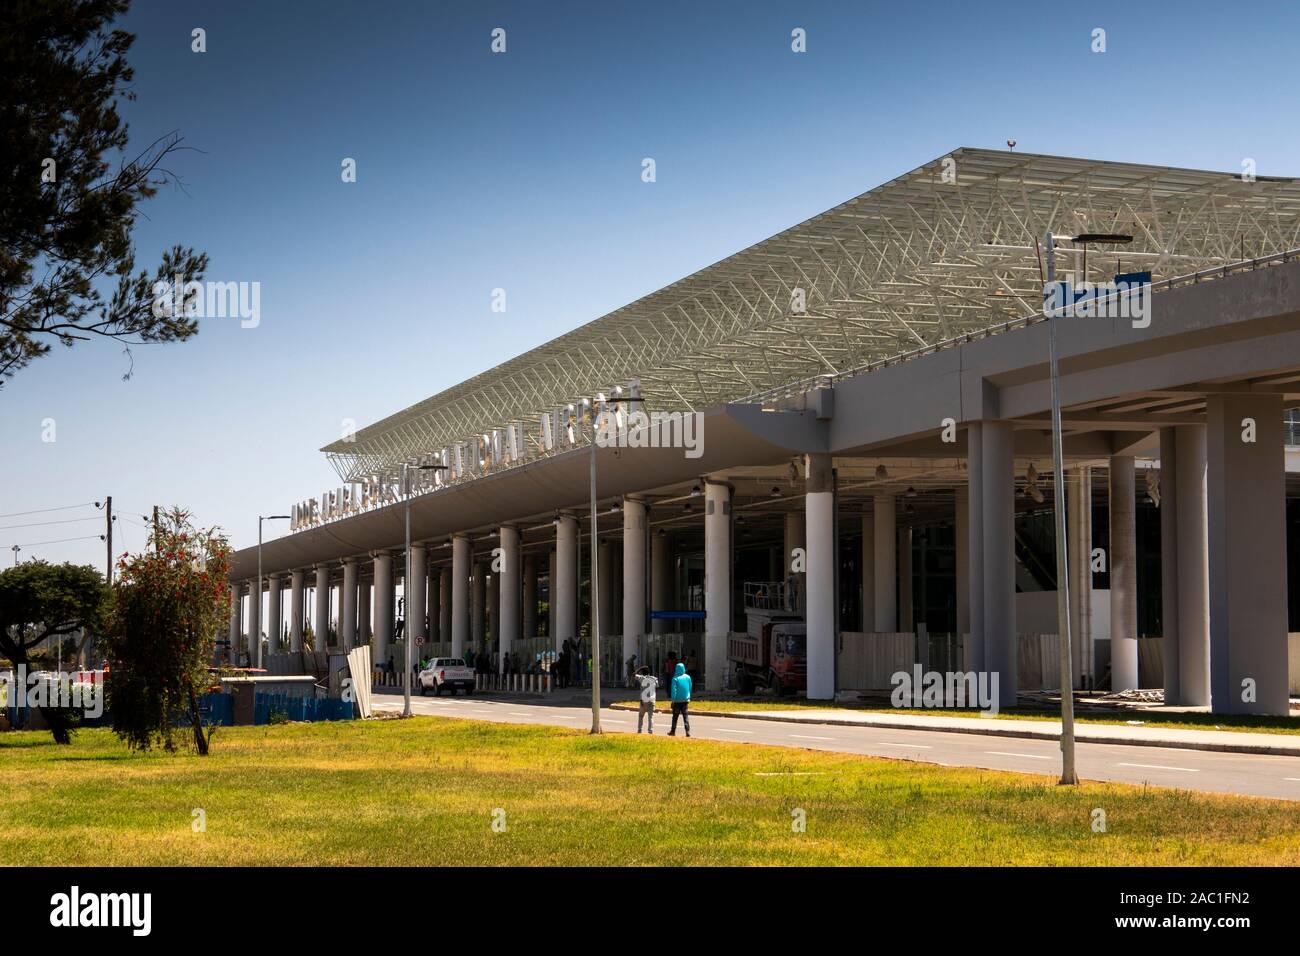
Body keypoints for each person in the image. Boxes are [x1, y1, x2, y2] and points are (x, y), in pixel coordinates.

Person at [668, 661, 691, 737]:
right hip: (685, 700)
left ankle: (673, 731)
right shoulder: (688, 677)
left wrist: (673, 700)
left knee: (675, 717)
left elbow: (674, 690)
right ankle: (687, 731)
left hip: (677, 701)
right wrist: (688, 696)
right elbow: (690, 688)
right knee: (685, 716)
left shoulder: (675, 678)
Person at [633, 665, 658, 734]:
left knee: (641, 716)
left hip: (644, 700)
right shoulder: (654, 679)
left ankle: (639, 730)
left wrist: (640, 668)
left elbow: (633, 674)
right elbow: (657, 688)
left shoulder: (641, 678)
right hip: (652, 699)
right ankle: (650, 730)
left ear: (642, 673)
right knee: (651, 716)